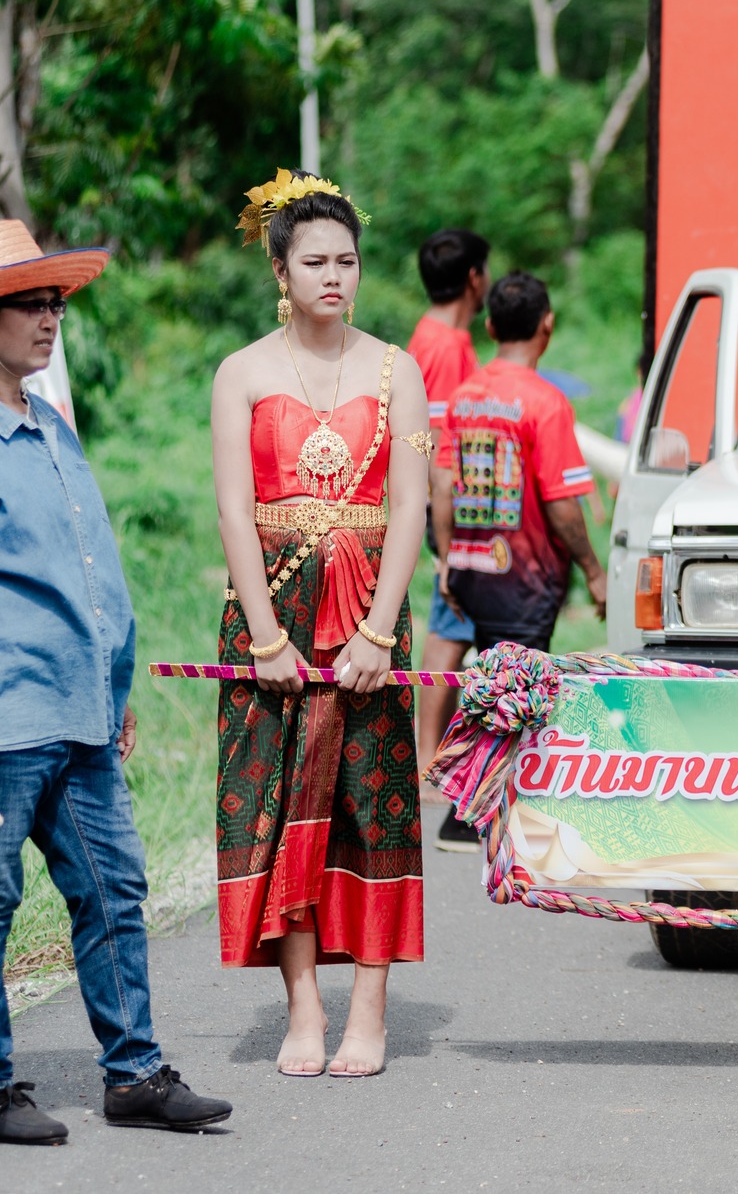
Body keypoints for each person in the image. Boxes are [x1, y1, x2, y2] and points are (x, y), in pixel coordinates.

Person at [0, 224, 234, 1143]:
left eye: (56, 301)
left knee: (113, 890)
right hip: (10, 714)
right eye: (30, 302)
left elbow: (86, 567)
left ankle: (134, 1074)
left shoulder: (51, 426)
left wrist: (115, 683)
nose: (51, 318)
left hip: (83, 709)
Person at [211, 170, 431, 1079]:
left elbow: (411, 503)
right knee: (279, 807)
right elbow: (234, 509)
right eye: (314, 261)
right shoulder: (241, 372)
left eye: (347, 260)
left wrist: (379, 629)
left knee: (373, 806)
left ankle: (368, 1009)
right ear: (280, 269)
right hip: (270, 610)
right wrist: (265, 636)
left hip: (369, 607)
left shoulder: (397, 369)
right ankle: (303, 1006)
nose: (334, 276)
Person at [433, 271, 606, 669]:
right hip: (525, 585)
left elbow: (442, 484)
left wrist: (446, 560)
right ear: (548, 323)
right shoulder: (547, 403)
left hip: (470, 573)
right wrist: (594, 571)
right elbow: (561, 503)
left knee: (493, 681)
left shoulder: (462, 397)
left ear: (491, 327)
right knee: (520, 689)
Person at [408, 229, 490, 784]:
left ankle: (443, 756)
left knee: (457, 623)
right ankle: (427, 760)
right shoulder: (443, 345)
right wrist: (446, 530)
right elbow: (439, 443)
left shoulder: (442, 337)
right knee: (450, 624)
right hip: (450, 507)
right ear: (474, 278)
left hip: (455, 504)